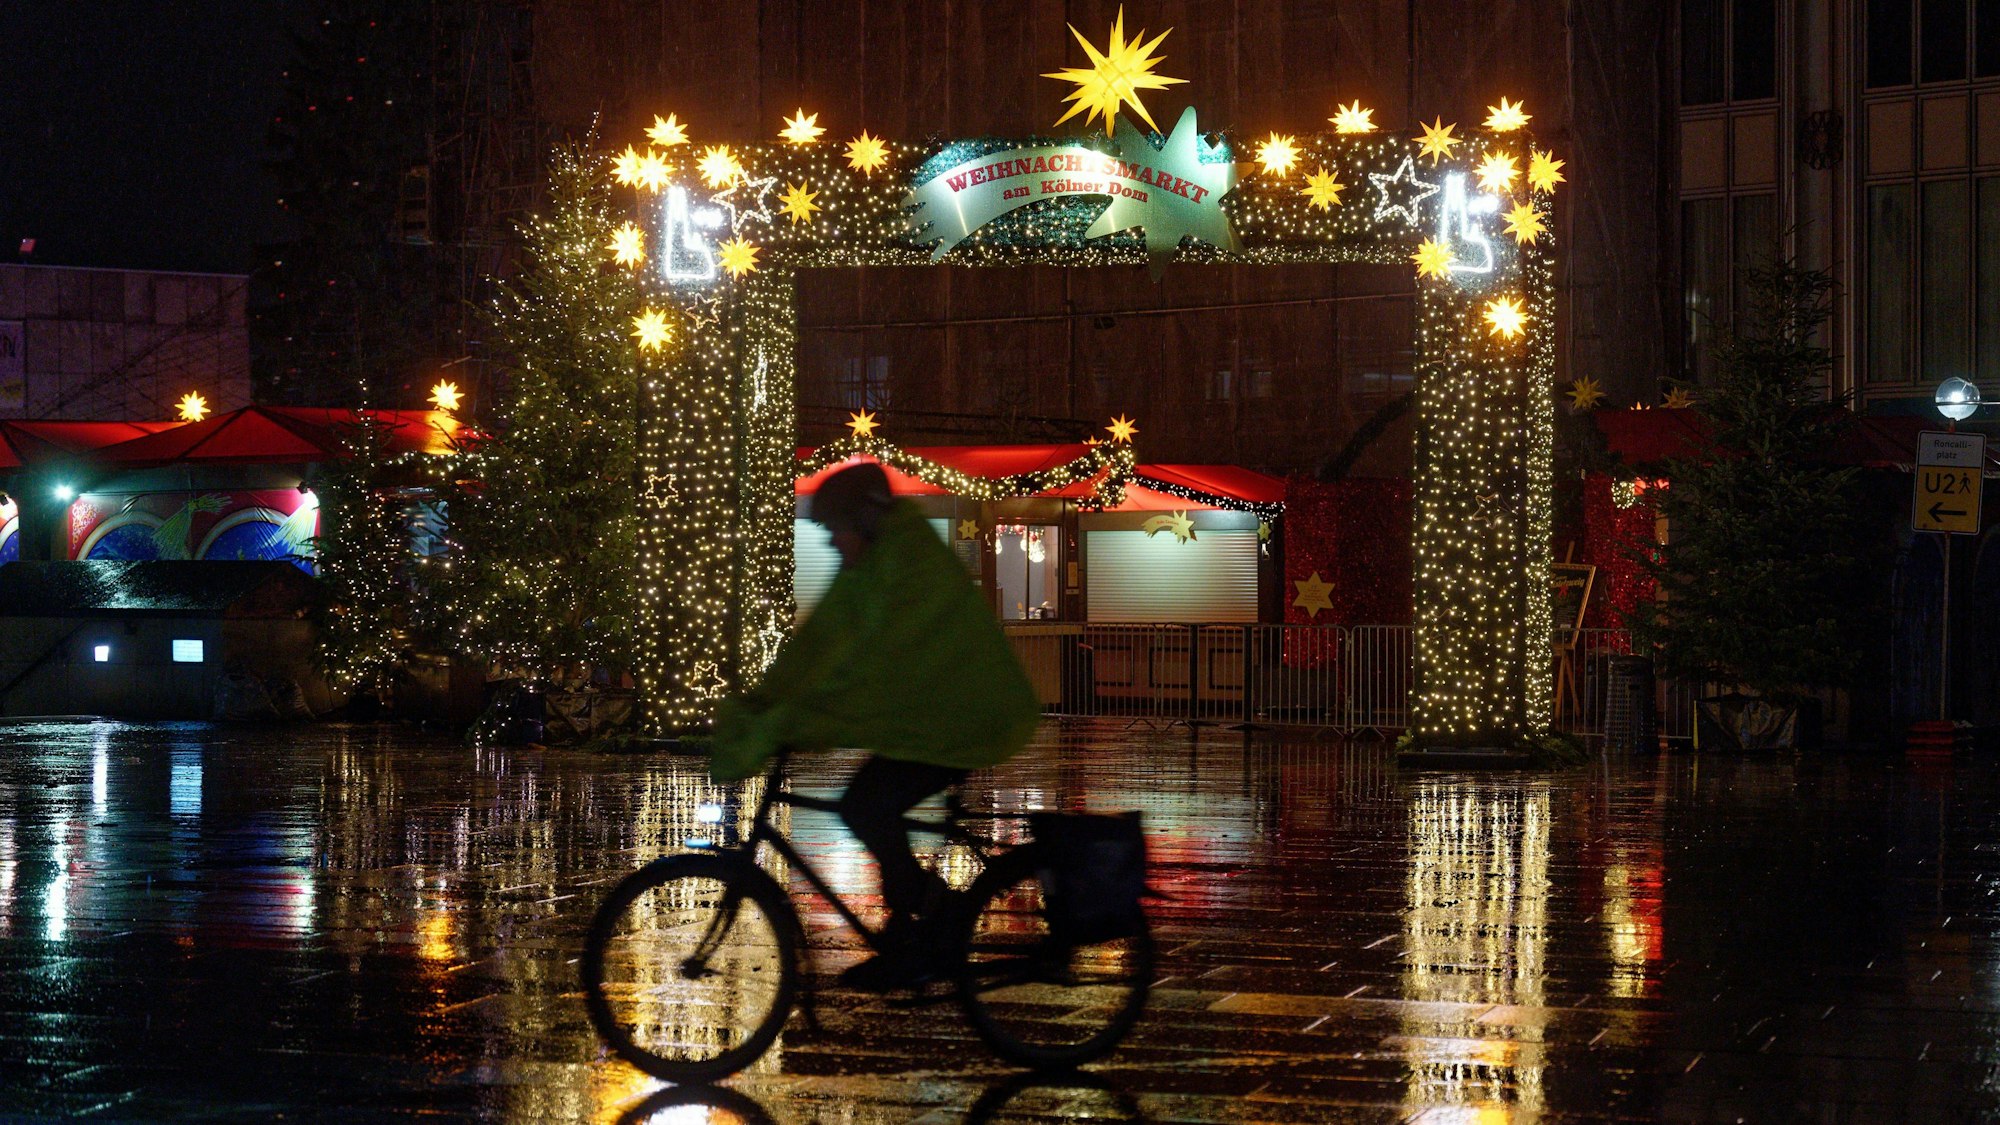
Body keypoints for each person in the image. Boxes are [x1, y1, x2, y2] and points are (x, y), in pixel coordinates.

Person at [712, 462, 1041, 989]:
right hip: (929, 718)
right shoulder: (868, 563)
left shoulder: (910, 563)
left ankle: (940, 914)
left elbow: (876, 668)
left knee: (866, 806)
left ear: (866, 520)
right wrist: (763, 702)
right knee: (872, 809)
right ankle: (911, 939)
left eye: (837, 529)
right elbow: (820, 642)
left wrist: (800, 719)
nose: (833, 542)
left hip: (964, 717)